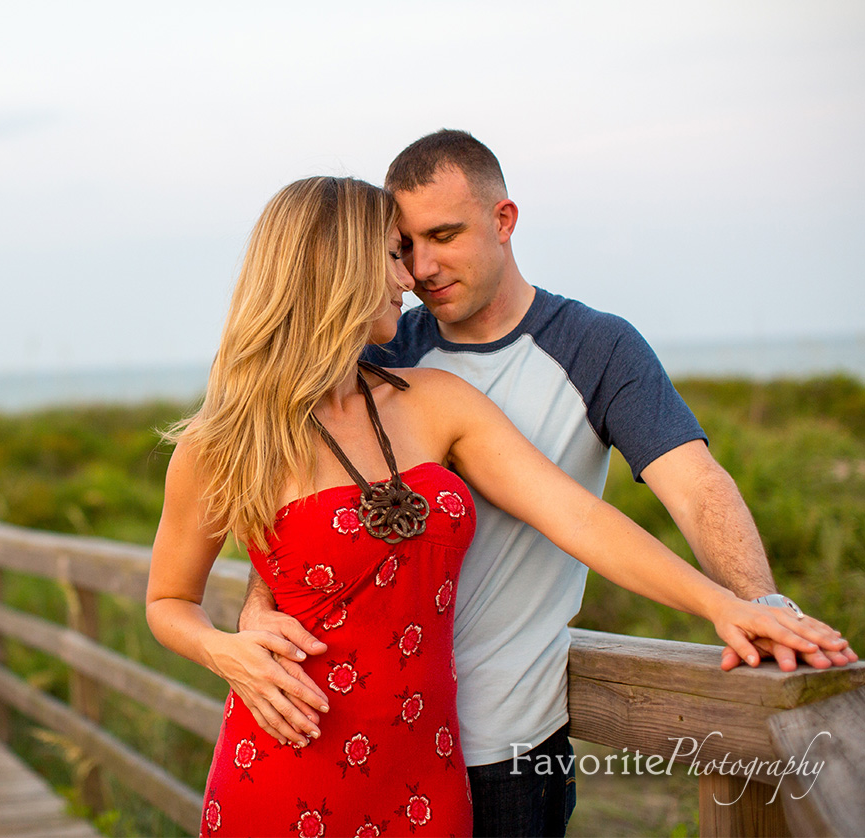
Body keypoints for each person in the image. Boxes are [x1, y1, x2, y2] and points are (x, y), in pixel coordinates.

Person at [145, 175, 849, 838]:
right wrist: (223, 649)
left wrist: (726, 606)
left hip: (428, 774)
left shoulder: (435, 399)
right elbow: (168, 599)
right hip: (288, 766)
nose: (409, 275)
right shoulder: (222, 443)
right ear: (333, 270)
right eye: (391, 254)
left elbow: (576, 516)